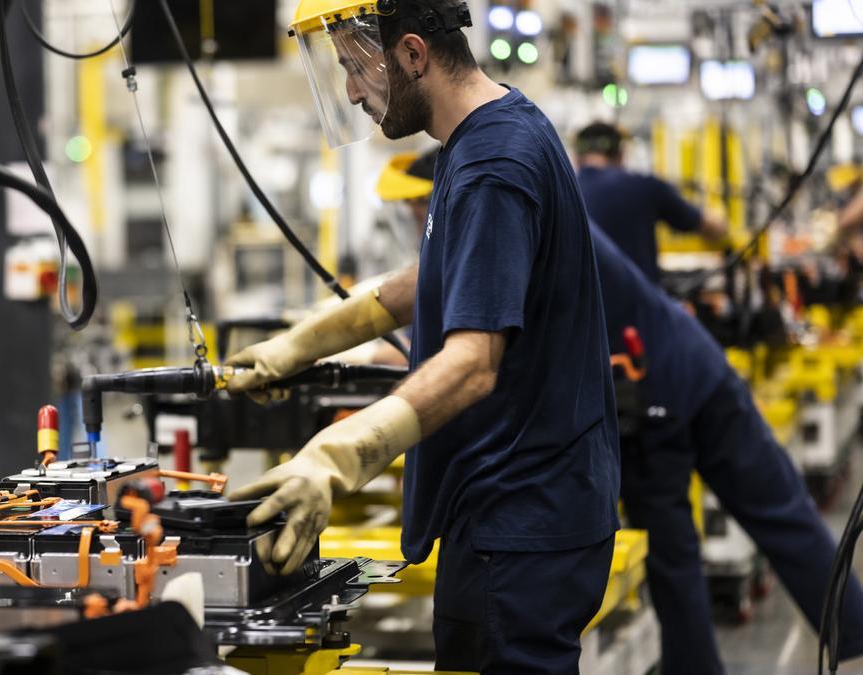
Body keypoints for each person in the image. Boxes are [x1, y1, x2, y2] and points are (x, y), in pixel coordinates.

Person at [226, 1, 621, 673]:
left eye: (356, 67)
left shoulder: (494, 164)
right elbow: (438, 272)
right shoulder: (488, 133)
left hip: (523, 523)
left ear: (412, 55)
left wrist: (334, 457)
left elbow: (472, 364)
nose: (351, 90)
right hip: (505, 511)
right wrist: (301, 342)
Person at [382, 150, 863, 675]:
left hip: (652, 399)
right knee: (780, 512)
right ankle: (855, 632)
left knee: (674, 558)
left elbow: (472, 333)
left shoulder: (502, 215)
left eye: (417, 208)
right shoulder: (549, 198)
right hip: (696, 367)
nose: (415, 221)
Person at [574, 121, 727, 284]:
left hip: (582, 305)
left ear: (577, 157)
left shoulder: (566, 193)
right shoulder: (645, 187)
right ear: (621, 154)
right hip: (638, 303)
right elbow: (712, 227)